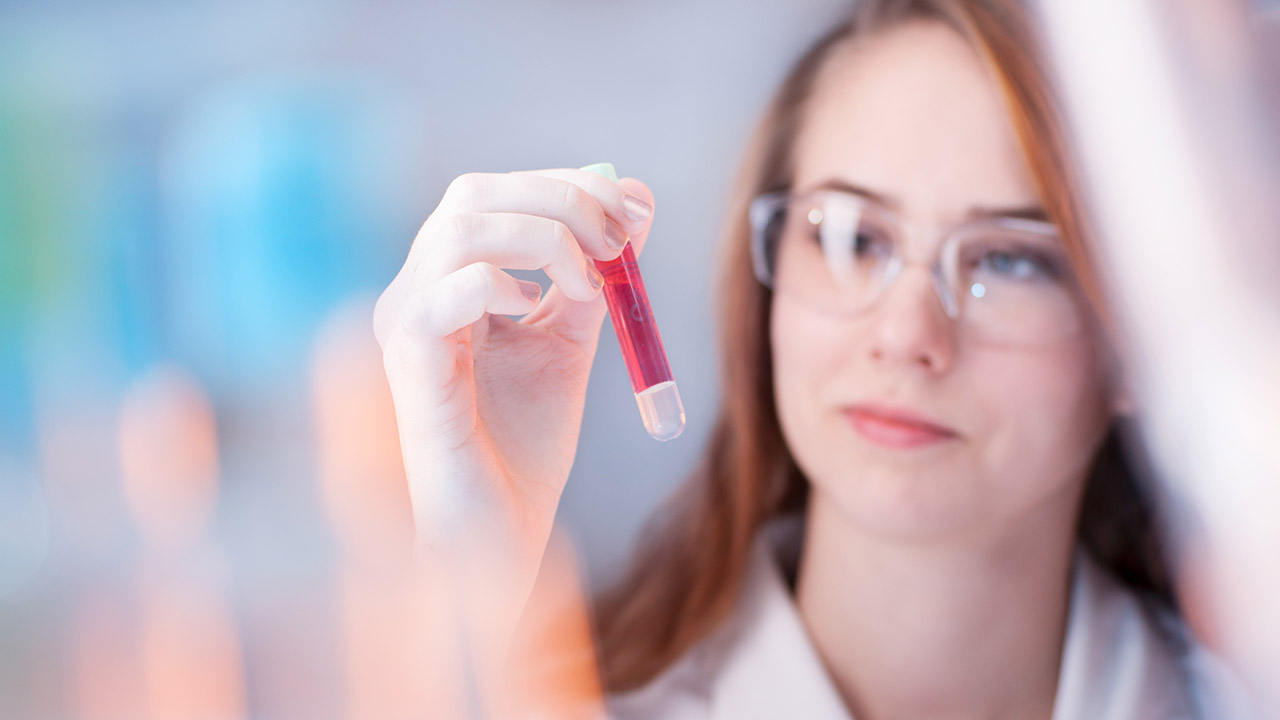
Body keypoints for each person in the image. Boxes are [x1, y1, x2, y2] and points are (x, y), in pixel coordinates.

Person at [373, 0, 1254, 717]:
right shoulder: (558, 702)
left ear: (1141, 334)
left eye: (1009, 258)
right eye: (853, 238)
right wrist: (474, 578)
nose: (907, 334)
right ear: (767, 292)